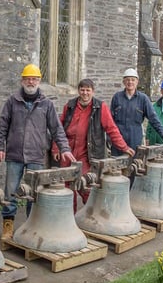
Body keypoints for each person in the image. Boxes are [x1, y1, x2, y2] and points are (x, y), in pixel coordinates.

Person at [0, 64, 76, 240]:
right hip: (15, 154)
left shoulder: (46, 104)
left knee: (33, 193)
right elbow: (2, 125)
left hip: (36, 155)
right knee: (10, 192)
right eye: (28, 78)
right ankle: (8, 227)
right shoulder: (12, 101)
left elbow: (56, 129)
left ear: (39, 81)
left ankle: (31, 227)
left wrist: (65, 148)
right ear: (22, 80)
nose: (31, 82)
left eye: (34, 79)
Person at [51, 78, 134, 212]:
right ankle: (68, 218)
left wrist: (123, 147)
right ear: (78, 91)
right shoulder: (70, 106)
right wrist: (56, 148)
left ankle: (92, 215)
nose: (85, 93)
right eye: (82, 90)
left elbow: (111, 129)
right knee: (66, 187)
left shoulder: (100, 107)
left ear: (93, 91)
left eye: (88, 90)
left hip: (87, 153)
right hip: (68, 153)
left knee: (87, 185)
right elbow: (59, 129)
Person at [110, 68, 163, 155]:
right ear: (123, 82)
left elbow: (153, 118)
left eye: (133, 80)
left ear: (137, 82)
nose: (130, 82)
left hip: (135, 139)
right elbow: (110, 121)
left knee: (135, 164)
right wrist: (109, 137)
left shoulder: (143, 99)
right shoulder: (117, 97)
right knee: (116, 166)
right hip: (118, 139)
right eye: (127, 80)